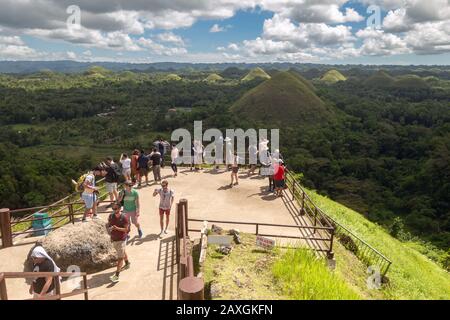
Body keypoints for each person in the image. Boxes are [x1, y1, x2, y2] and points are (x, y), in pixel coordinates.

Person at [107, 202, 130, 283]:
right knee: (122, 251)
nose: (114, 210)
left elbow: (126, 230)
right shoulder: (111, 216)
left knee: (120, 258)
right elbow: (108, 225)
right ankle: (127, 263)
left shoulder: (124, 218)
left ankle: (117, 275)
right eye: (113, 208)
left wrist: (117, 228)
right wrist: (110, 229)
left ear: (120, 208)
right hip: (114, 239)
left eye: (116, 208)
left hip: (121, 239)